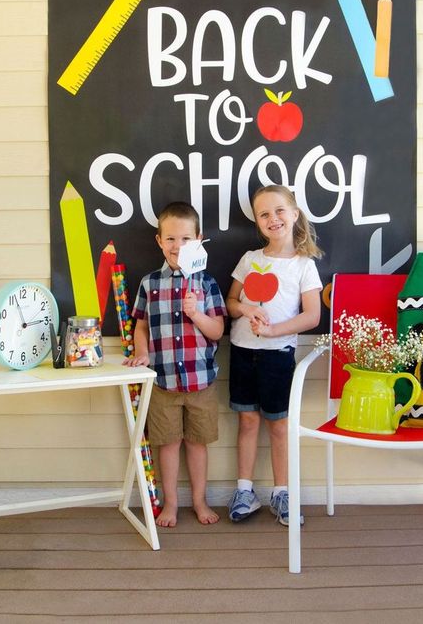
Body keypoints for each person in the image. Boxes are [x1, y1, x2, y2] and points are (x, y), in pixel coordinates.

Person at [124, 202, 226, 527]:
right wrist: (142, 353)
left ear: (198, 240)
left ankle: (199, 501)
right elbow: (140, 325)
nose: (176, 246)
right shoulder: (149, 284)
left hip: (201, 381)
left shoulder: (206, 283)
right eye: (170, 239)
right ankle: (171, 504)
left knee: (197, 444)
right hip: (163, 382)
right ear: (159, 241)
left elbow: (218, 331)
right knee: (167, 444)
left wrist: (196, 313)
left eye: (184, 239)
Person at [226, 184, 322, 526]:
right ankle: (244, 490)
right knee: (247, 422)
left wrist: (272, 331)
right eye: (264, 214)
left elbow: (312, 316)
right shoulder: (250, 260)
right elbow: (230, 303)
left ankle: (282, 493)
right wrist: (246, 307)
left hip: (278, 356)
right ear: (257, 222)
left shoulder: (303, 265)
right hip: (242, 352)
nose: (273, 218)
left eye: (280, 210)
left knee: (278, 426)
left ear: (294, 214)